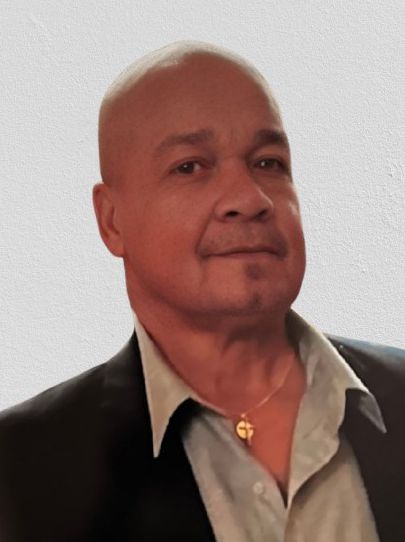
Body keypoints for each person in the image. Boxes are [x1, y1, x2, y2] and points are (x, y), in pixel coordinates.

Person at [0, 41, 404, 542]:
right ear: (111, 221)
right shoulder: (20, 470)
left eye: (268, 163)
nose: (249, 198)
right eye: (190, 166)